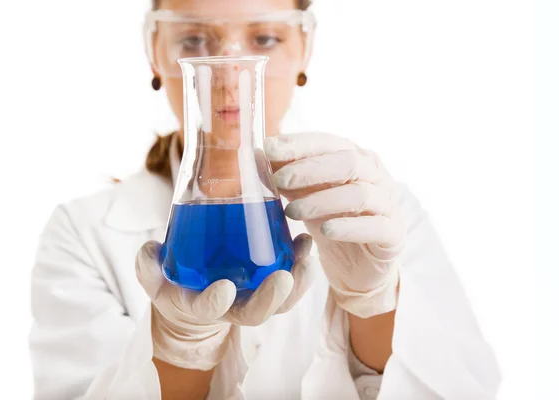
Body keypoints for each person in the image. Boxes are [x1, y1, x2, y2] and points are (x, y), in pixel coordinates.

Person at [29, 0, 501, 399]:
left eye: (265, 39)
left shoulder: (378, 211)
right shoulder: (84, 231)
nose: (228, 71)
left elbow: (465, 388)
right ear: (155, 51)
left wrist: (374, 305)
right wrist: (178, 348)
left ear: (304, 50)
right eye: (193, 40)